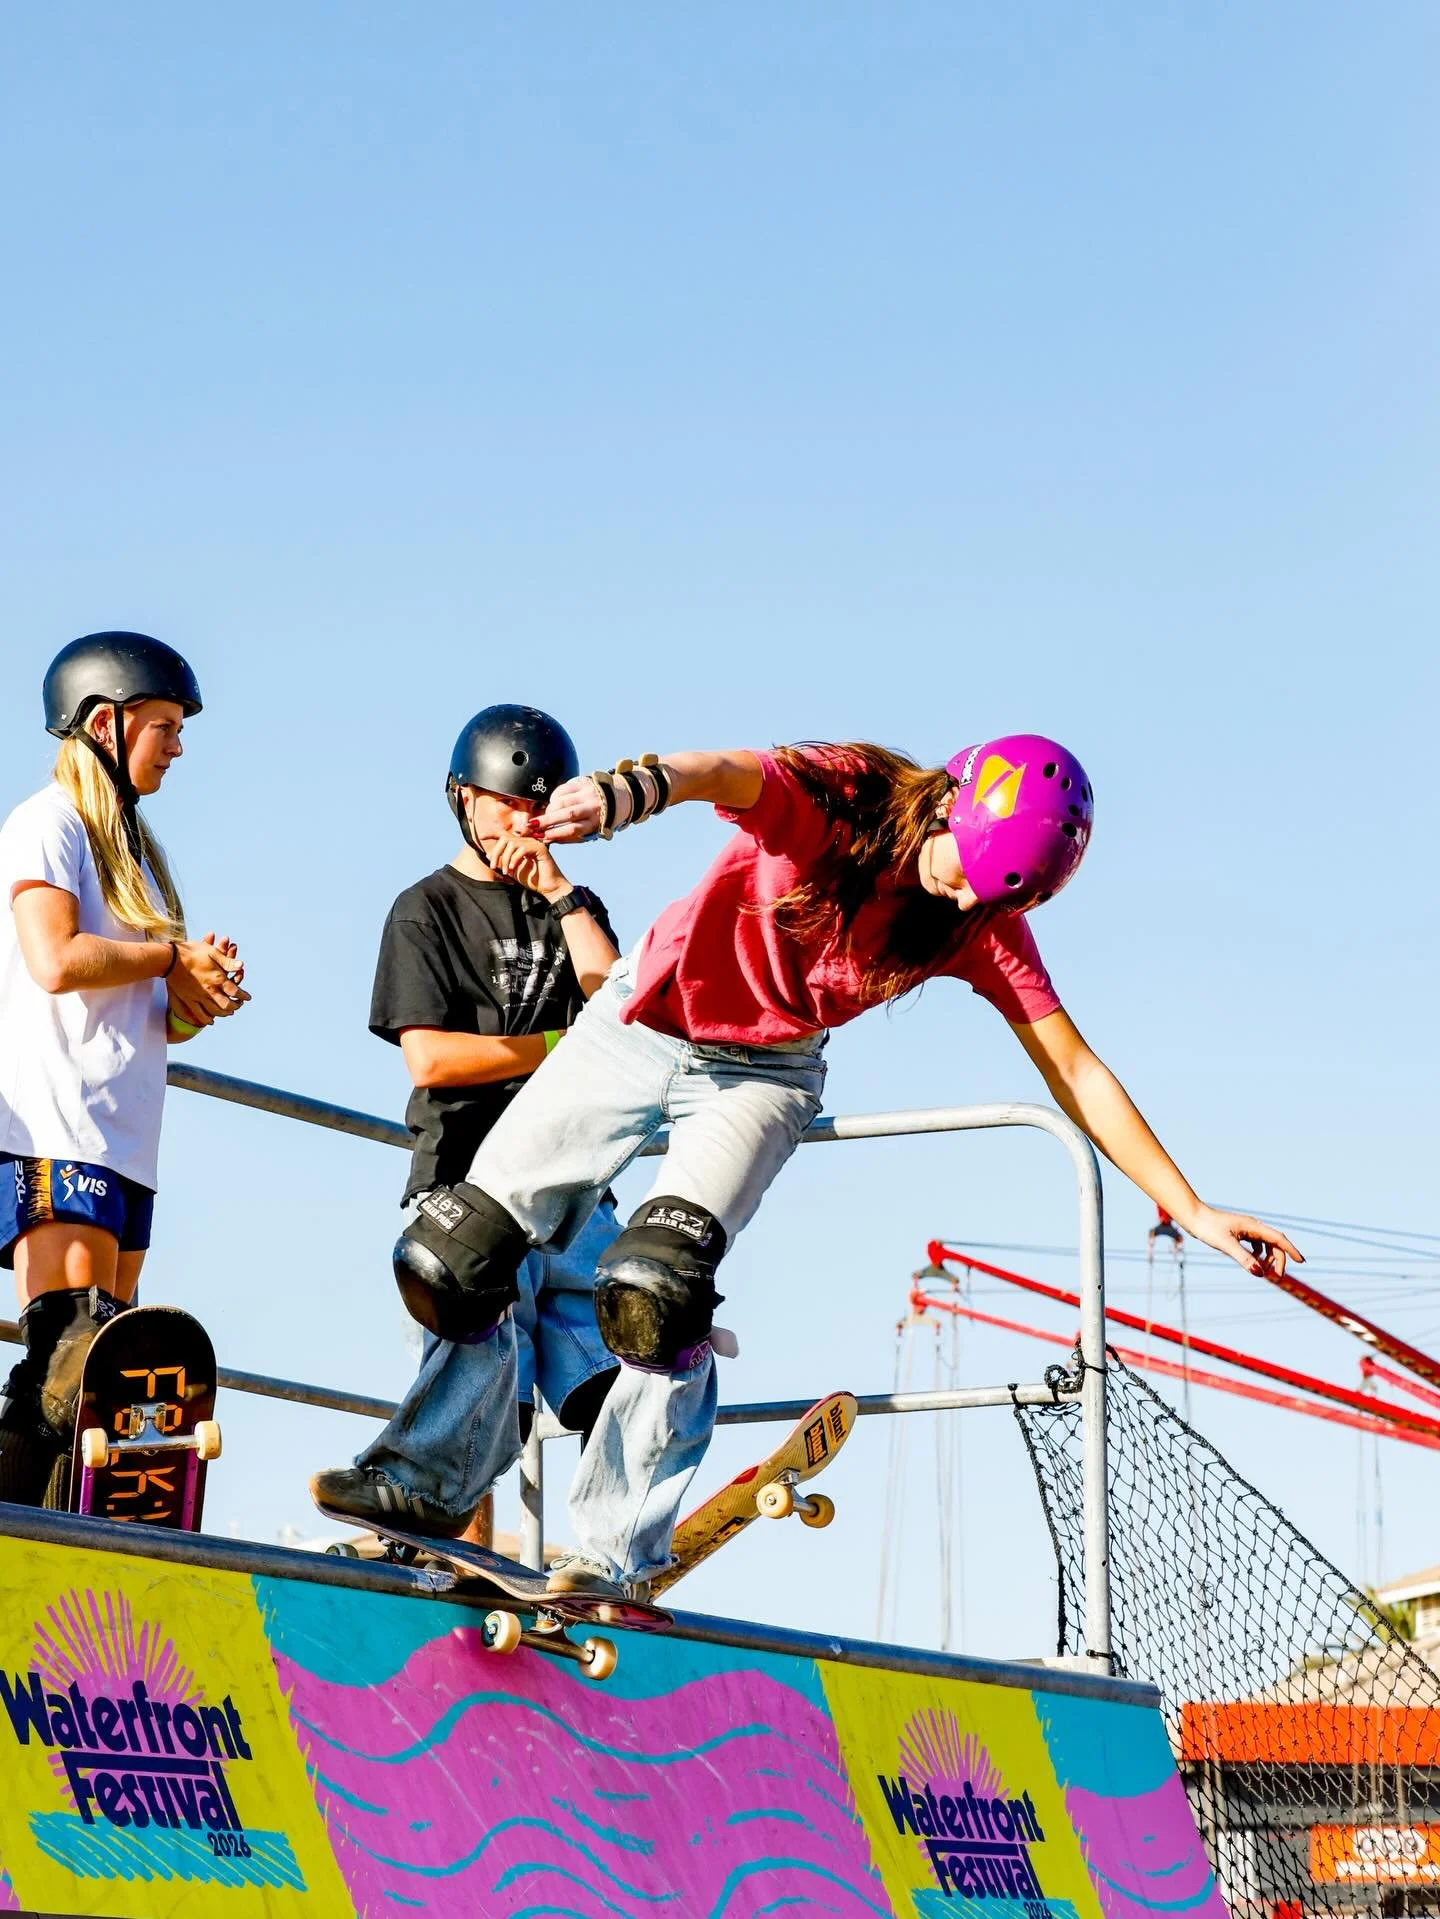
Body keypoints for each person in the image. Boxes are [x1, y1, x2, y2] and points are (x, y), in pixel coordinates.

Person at [387, 734, 1305, 1596]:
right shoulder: (849, 795)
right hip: (651, 1013)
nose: (956, 903)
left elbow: (1073, 1068)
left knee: (653, 1290)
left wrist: (1189, 1207)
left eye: (984, 899)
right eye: (957, 876)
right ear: (946, 807)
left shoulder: (977, 920)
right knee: (454, 1254)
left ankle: (612, 1556)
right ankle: (411, 1485)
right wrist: (629, 792)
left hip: (763, 1070)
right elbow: (727, 774)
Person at [310, 705, 676, 1598]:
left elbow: (621, 1000)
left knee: (616, 1350)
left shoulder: (569, 907)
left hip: (575, 1186)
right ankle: (429, 1511)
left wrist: (560, 890)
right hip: (467, 1180)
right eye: (509, 806)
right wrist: (561, 1047)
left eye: (539, 811)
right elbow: (432, 1057)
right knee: (482, 1345)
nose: (523, 824)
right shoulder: (425, 909)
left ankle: (619, 1533)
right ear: (465, 800)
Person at [0, 631, 250, 1505]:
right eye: (166, 725)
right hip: (57, 1124)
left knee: (102, 1391)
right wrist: (165, 957)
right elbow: (55, 958)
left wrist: (195, 993)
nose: (179, 745)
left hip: (126, 1141)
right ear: (105, 723)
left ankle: (59, 1585)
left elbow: (154, 1018)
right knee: (66, 1363)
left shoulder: (139, 856)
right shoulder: (47, 822)